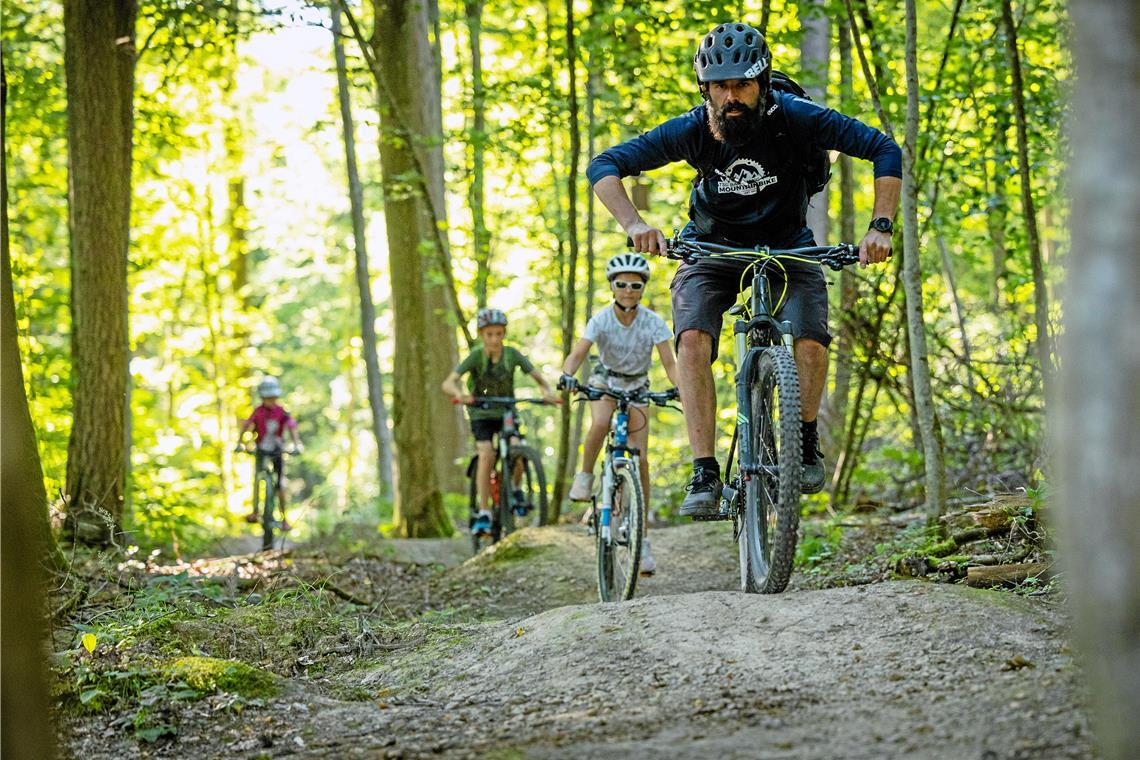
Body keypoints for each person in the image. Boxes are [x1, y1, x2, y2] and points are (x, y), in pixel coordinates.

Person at [587, 22, 901, 517]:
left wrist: (880, 226)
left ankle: (804, 438)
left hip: (789, 246)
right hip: (711, 250)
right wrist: (635, 223)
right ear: (705, 88)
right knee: (692, 340)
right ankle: (705, 469)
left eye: (742, 85)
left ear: (764, 82)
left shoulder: (797, 117)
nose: (730, 97)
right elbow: (604, 166)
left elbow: (885, 149)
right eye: (719, 86)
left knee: (812, 341)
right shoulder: (693, 128)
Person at [559, 253, 679, 575]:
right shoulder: (601, 319)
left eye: (635, 285)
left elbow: (670, 364)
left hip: (638, 384)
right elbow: (578, 352)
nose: (628, 290)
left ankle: (642, 537)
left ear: (642, 289)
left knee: (639, 459)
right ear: (612, 286)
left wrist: (681, 387)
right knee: (600, 422)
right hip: (606, 380)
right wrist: (568, 375)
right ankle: (584, 477)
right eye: (622, 284)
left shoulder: (653, 322)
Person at [441, 308, 560, 536]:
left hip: (506, 410)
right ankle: (484, 511)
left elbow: (538, 378)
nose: (494, 339)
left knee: (517, 446)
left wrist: (546, 392)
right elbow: (448, 383)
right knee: (486, 454)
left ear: (504, 334)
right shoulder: (476, 356)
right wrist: (461, 394)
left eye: (498, 334)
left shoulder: (512, 355)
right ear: (482, 335)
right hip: (481, 414)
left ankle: (514, 489)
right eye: (489, 334)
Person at [235, 376, 302, 529]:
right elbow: (247, 425)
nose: (270, 400)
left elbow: (291, 426)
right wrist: (239, 443)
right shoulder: (258, 412)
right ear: (262, 397)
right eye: (267, 397)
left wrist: (297, 444)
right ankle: (255, 511)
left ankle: (284, 519)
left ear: (276, 397)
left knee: (280, 485)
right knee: (258, 479)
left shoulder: (282, 412)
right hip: (261, 450)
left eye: (272, 397)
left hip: (277, 450)